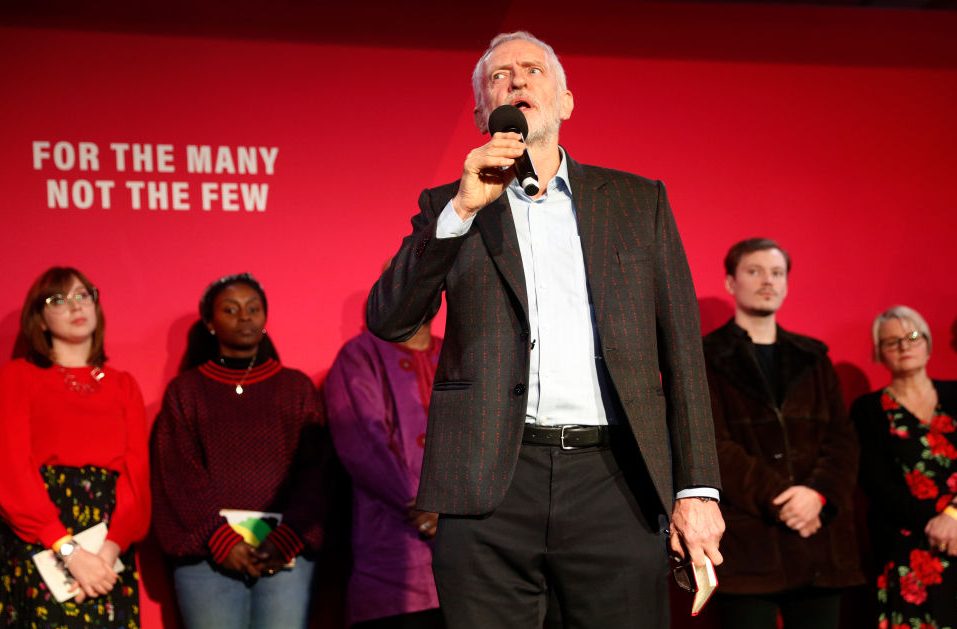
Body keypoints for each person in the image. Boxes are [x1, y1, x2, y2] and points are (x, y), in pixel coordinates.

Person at [366, 31, 724, 629]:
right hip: (490, 486)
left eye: (533, 70)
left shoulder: (639, 202)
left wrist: (699, 491)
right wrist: (461, 210)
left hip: (615, 480)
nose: (517, 80)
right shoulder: (450, 206)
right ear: (483, 112)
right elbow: (391, 318)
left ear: (565, 101)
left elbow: (683, 355)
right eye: (499, 77)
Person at [150, 273, 326, 629]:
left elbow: (317, 472)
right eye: (230, 310)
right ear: (210, 323)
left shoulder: (296, 389)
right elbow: (178, 475)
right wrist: (220, 540)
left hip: (283, 553)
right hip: (207, 557)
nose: (244, 317)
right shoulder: (186, 392)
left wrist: (287, 537)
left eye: (253, 309)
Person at [702, 238, 863, 628]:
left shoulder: (813, 357)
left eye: (777, 273)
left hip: (818, 543)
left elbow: (842, 440)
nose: (767, 281)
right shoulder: (705, 357)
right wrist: (781, 499)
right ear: (730, 282)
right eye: (754, 271)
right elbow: (712, 445)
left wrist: (817, 495)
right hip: (748, 543)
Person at [0, 267, 150, 628]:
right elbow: (10, 469)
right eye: (58, 300)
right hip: (40, 537)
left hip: (108, 544)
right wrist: (68, 550)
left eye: (83, 295)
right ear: (40, 319)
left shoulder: (123, 385)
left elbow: (136, 475)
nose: (75, 306)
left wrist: (107, 552)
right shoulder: (18, 377)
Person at [324, 317, 444, 628]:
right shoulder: (360, 356)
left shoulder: (458, 354)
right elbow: (363, 442)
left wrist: (452, 508)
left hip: (465, 552)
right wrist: (420, 503)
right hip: (391, 547)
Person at [852, 305, 957, 628]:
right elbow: (877, 483)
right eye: (892, 341)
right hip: (906, 549)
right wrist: (936, 524)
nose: (904, 346)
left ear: (927, 343)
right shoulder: (868, 410)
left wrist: (953, 516)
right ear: (879, 353)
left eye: (912, 337)